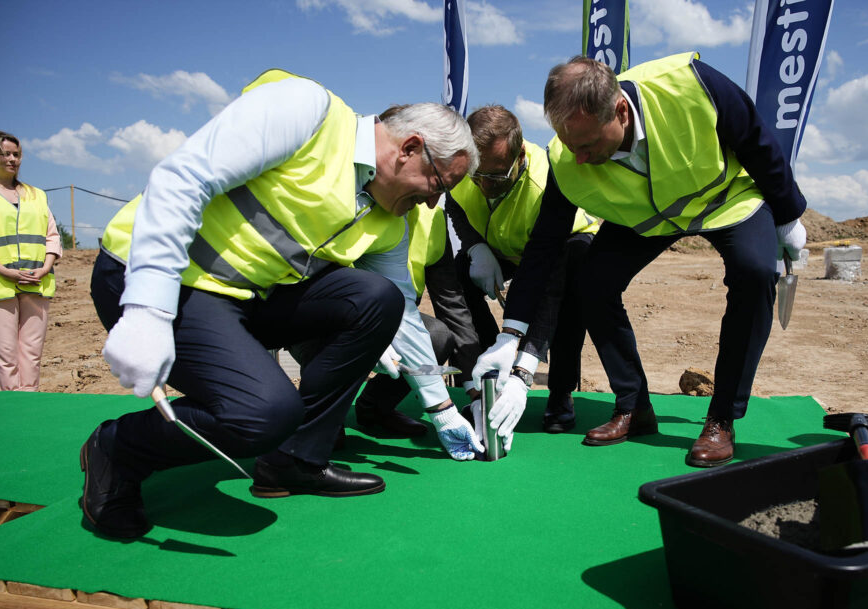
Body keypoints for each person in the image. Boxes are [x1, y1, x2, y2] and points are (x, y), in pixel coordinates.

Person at [82, 69, 481, 539]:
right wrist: (148, 308)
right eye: (438, 184)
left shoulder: (389, 222)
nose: (434, 203)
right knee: (263, 413)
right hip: (156, 279)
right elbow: (182, 178)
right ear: (410, 148)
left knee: (378, 298)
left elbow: (405, 315)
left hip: (245, 300)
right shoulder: (307, 110)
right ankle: (118, 447)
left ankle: (294, 459)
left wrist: (441, 408)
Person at [473, 53, 806, 468]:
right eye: (570, 145)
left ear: (621, 111)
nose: (578, 158)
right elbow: (544, 247)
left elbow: (756, 138)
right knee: (592, 283)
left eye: (588, 145)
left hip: (724, 199)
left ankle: (722, 418)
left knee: (754, 273)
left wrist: (788, 215)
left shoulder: (690, 85)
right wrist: (511, 334)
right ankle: (634, 406)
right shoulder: (566, 157)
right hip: (646, 219)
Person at [445, 105, 597, 446]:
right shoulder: (466, 167)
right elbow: (454, 204)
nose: (485, 186)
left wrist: (523, 371)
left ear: (520, 156)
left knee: (568, 302)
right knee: (458, 274)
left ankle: (560, 394)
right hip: (503, 243)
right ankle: (487, 377)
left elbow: (546, 289)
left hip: (563, 245)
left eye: (496, 177)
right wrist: (475, 247)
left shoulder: (545, 186)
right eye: (477, 175)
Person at [337, 200, 481, 439]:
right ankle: (327, 415)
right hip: (338, 318)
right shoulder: (353, 205)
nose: (433, 199)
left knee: (438, 336)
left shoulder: (432, 218)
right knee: (328, 441)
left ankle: (375, 407)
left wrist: (474, 386)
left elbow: (451, 303)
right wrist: (363, 327)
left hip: (396, 318)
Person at [0, 131, 62, 391]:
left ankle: (30, 407)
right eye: (5, 153)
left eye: (16, 154)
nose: (12, 159)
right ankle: (11, 409)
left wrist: (46, 267)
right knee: (6, 357)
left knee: (32, 356)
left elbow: (52, 235)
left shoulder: (37, 195)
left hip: (36, 282)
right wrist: (2, 270)